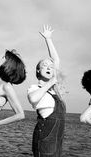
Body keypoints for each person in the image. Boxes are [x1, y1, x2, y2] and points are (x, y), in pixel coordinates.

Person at [27, 25, 66, 157]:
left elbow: (56, 60)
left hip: (57, 142)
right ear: (38, 70)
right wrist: (50, 82)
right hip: (44, 141)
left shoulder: (55, 90)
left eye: (51, 66)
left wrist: (48, 39)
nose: (49, 67)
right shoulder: (35, 88)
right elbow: (33, 99)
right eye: (44, 65)